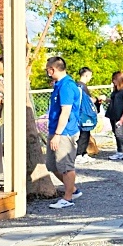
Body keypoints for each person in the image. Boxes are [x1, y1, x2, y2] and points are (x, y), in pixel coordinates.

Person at [44, 56, 81, 209]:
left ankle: (68, 198)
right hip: (56, 130)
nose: (47, 72)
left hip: (65, 132)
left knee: (66, 166)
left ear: (52, 69)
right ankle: (72, 190)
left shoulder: (66, 86)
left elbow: (65, 112)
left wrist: (58, 134)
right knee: (52, 165)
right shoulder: (59, 85)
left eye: (48, 70)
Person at [104, 71, 123, 160]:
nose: (113, 81)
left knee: (119, 134)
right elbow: (114, 100)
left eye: (115, 79)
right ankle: (119, 151)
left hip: (120, 116)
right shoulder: (116, 91)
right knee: (115, 133)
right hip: (113, 115)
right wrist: (106, 99)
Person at [75, 67, 99, 160]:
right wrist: (97, 99)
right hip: (83, 113)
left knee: (86, 133)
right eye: (90, 76)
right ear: (86, 75)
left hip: (82, 113)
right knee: (83, 134)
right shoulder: (82, 87)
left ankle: (84, 153)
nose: (90, 78)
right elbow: (88, 100)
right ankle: (79, 154)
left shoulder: (78, 86)